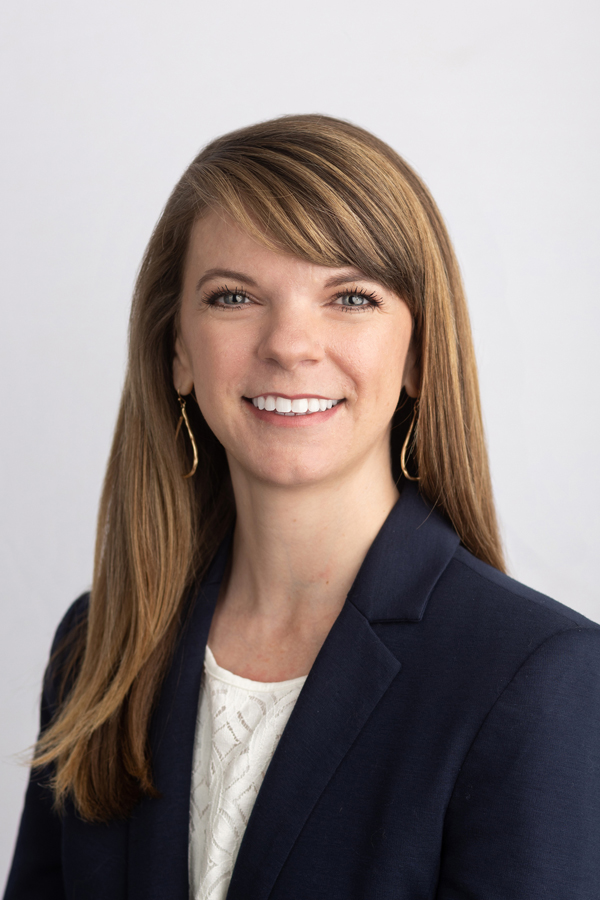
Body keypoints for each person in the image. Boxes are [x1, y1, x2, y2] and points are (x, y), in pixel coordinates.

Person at [4, 114, 600, 900]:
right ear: (177, 350)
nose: (290, 344)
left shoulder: (537, 677)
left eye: (350, 297)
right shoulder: (99, 645)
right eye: (234, 296)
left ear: (419, 352)